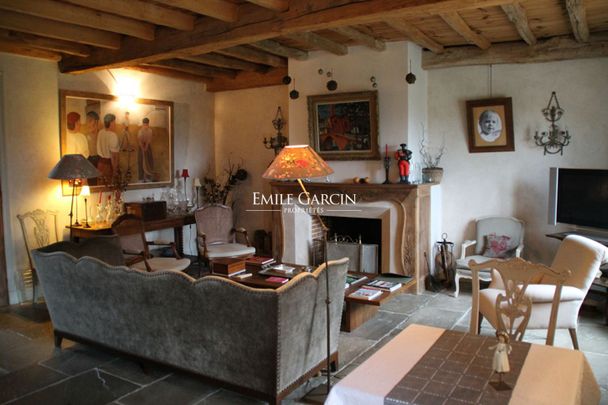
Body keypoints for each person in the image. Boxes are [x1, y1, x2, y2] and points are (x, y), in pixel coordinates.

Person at [96, 113, 119, 182]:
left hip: (100, 164)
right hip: (109, 166)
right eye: (114, 122)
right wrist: (115, 171)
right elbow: (114, 157)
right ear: (111, 123)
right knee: (109, 188)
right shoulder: (113, 135)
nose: (115, 124)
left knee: (101, 188)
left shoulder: (100, 132)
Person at [137, 117, 155, 182]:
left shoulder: (150, 131)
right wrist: (142, 149)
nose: (145, 126)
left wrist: (146, 147)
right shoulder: (140, 131)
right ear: (143, 124)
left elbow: (149, 140)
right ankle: (141, 178)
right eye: (144, 124)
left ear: (148, 124)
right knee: (141, 161)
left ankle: (148, 177)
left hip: (147, 147)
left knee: (149, 160)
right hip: (141, 147)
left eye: (146, 124)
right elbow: (139, 141)